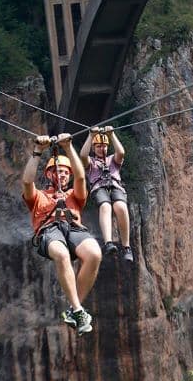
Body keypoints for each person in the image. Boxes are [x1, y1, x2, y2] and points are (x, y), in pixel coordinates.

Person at [23, 133, 102, 335]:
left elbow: (82, 176)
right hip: (49, 231)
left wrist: (68, 147)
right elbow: (26, 181)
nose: (63, 175)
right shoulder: (39, 197)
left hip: (74, 229)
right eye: (58, 171)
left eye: (66, 172)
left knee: (94, 254)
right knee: (62, 254)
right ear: (49, 174)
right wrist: (38, 152)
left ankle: (75, 308)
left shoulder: (74, 196)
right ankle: (77, 310)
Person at [80, 126, 133, 262]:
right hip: (99, 188)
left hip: (116, 187)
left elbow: (121, 152)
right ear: (93, 147)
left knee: (121, 207)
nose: (101, 148)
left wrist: (112, 135)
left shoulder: (112, 160)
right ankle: (108, 242)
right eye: (98, 146)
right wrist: (91, 136)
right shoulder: (90, 162)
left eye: (104, 146)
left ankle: (126, 247)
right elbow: (83, 155)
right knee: (105, 207)